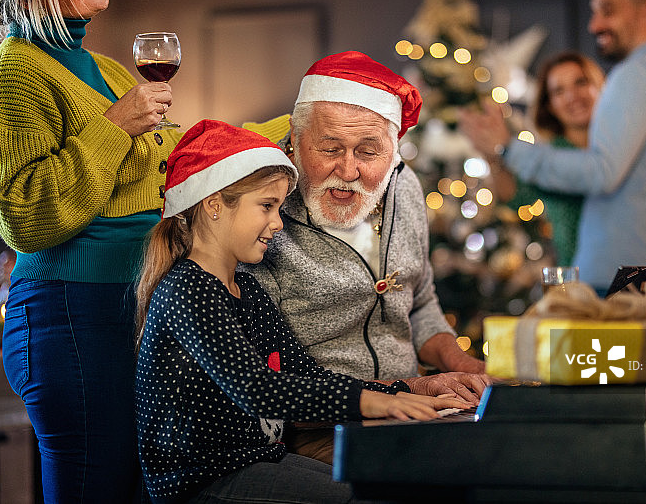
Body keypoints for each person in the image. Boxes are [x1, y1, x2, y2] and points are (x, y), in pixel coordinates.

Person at [134, 119, 470, 504]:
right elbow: (257, 389)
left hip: (260, 460)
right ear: (213, 204)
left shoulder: (248, 291)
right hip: (202, 481)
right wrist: (381, 402)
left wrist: (402, 390)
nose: (277, 223)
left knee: (379, 488)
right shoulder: (187, 288)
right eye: (266, 206)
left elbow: (305, 376)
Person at [0, 0, 180, 501]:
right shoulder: (14, 74)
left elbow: (179, 159)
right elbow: (24, 218)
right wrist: (114, 127)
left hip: (127, 307)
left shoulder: (106, 69)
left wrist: (299, 130)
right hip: (70, 315)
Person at [458, 0, 646, 306]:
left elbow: (601, 173)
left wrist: (509, 147)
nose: (594, 26)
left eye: (608, 10)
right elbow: (517, 195)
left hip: (627, 281)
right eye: (594, 13)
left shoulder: (637, 74)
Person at [242, 51, 489, 395]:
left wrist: (467, 367)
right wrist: (414, 389)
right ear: (295, 141)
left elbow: (419, 303)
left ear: (395, 150)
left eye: (369, 152)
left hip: (412, 406)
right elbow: (270, 383)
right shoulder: (259, 209)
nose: (348, 172)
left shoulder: (405, 186)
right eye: (329, 149)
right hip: (322, 423)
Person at [466, 51, 605, 266]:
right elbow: (516, 197)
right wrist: (492, 156)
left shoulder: (618, 147)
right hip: (576, 282)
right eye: (559, 91)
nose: (572, 96)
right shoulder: (548, 155)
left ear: (599, 85)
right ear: (549, 105)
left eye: (580, 82)